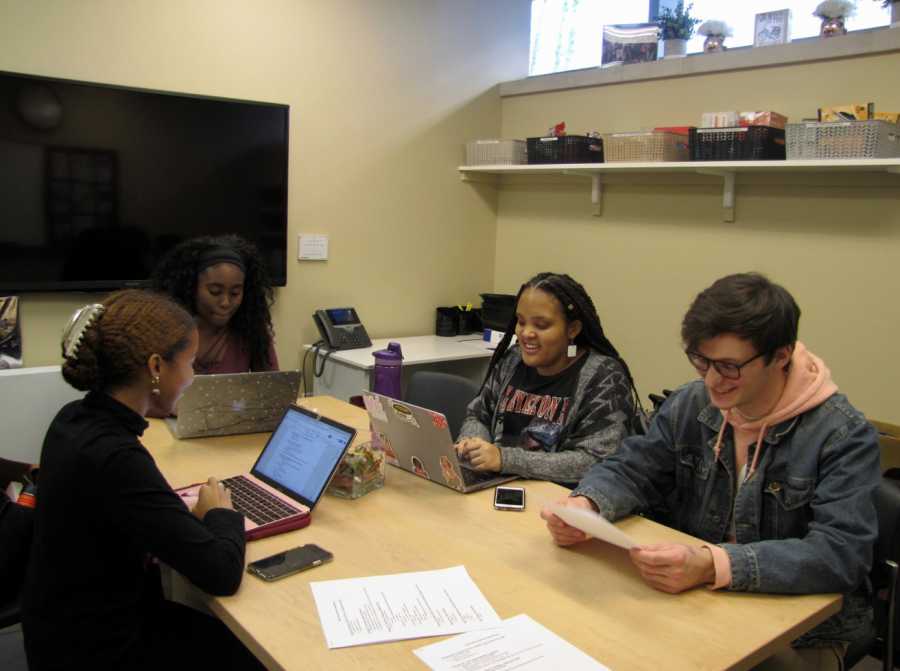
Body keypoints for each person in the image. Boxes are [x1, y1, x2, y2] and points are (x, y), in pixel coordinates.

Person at [541, 272, 880, 671]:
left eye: (729, 366)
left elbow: (840, 555)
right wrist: (587, 504)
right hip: (694, 599)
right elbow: (634, 468)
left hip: (803, 630)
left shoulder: (842, 435)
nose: (712, 379)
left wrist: (712, 564)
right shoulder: (691, 403)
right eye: (701, 360)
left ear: (782, 355)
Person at [21, 290, 265, 670]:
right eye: (190, 363)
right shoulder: (116, 456)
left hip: (58, 628)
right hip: (99, 649)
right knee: (254, 654)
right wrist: (220, 514)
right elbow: (221, 573)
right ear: (156, 367)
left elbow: (110, 516)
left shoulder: (73, 418)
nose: (193, 376)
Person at [455, 272, 640, 487]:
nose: (526, 334)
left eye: (541, 326)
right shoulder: (513, 359)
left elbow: (595, 461)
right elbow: (479, 416)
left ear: (573, 329)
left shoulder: (604, 378)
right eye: (521, 322)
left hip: (560, 501)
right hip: (495, 486)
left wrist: (506, 460)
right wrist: (472, 444)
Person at [151, 234, 278, 374]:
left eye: (235, 293)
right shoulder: (165, 333)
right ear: (191, 288)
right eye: (215, 292)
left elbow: (272, 387)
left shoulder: (252, 331)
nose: (225, 302)